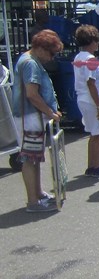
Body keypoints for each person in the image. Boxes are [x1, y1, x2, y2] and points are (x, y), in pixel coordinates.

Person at [11, 30, 64, 213]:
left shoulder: (28, 59)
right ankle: (33, 202)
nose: (52, 58)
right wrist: (50, 112)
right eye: (51, 53)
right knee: (30, 158)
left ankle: (38, 193)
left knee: (35, 158)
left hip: (31, 116)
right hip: (29, 117)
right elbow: (32, 94)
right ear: (41, 48)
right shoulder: (30, 64)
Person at [73, 25, 99, 177]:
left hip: (83, 99)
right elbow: (91, 83)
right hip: (92, 100)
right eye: (96, 40)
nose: (98, 44)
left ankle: (92, 166)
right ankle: (97, 167)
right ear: (92, 41)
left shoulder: (79, 57)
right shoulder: (90, 59)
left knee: (93, 133)